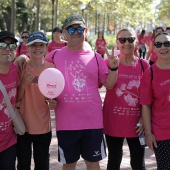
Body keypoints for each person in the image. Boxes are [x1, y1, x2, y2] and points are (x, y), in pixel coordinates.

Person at [44, 13, 118, 170]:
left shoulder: (95, 57)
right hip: (66, 122)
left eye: (80, 29)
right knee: (69, 164)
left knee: (92, 163)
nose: (76, 32)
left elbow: (109, 84)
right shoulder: (54, 56)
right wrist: (22, 59)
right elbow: (42, 76)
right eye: (71, 30)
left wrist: (114, 67)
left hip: (93, 121)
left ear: (86, 31)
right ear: (64, 33)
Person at [103, 28, 149, 170]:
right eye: (122, 40)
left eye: (130, 39)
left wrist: (144, 119)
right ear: (117, 43)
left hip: (137, 124)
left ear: (136, 42)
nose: (126, 43)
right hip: (113, 121)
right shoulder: (108, 63)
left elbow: (148, 96)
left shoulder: (144, 65)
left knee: (138, 163)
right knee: (114, 160)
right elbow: (109, 86)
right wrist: (113, 68)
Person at [16, 31, 56, 170]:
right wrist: (23, 84)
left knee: (42, 165)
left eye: (41, 45)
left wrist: (54, 102)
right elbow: (15, 100)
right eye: (34, 45)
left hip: (43, 127)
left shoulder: (52, 69)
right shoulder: (20, 67)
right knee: (23, 165)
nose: (37, 48)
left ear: (46, 47)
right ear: (27, 46)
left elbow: (55, 96)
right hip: (22, 127)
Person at [140, 32, 170, 170]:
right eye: (158, 44)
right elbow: (145, 106)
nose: (163, 47)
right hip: (162, 133)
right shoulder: (150, 73)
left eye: (167, 43)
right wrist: (148, 134)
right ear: (154, 48)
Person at [0, 31, 18, 169]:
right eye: (2, 45)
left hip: (9, 141)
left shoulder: (15, 69)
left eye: (11, 46)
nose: (7, 49)